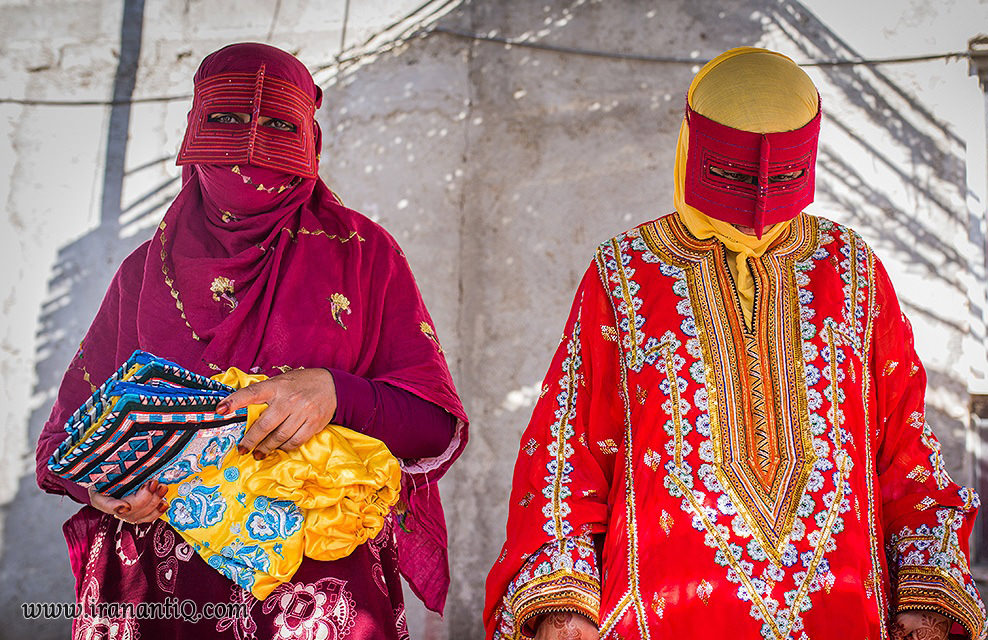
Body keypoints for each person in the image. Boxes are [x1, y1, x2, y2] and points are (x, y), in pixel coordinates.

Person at [484, 47, 986, 640]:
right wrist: (565, 609)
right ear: (693, 148)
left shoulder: (851, 269)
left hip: (844, 619)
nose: (759, 196)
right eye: (732, 173)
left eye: (784, 173)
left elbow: (903, 439)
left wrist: (926, 595)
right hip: (658, 621)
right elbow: (566, 453)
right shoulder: (622, 273)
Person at [35, 42, 467, 639]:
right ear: (193, 130)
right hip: (164, 602)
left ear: (309, 139)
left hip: (320, 598)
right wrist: (106, 487)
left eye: (276, 124)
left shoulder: (365, 256)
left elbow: (433, 425)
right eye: (228, 120)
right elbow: (65, 443)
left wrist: (334, 393)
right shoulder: (143, 273)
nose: (249, 146)